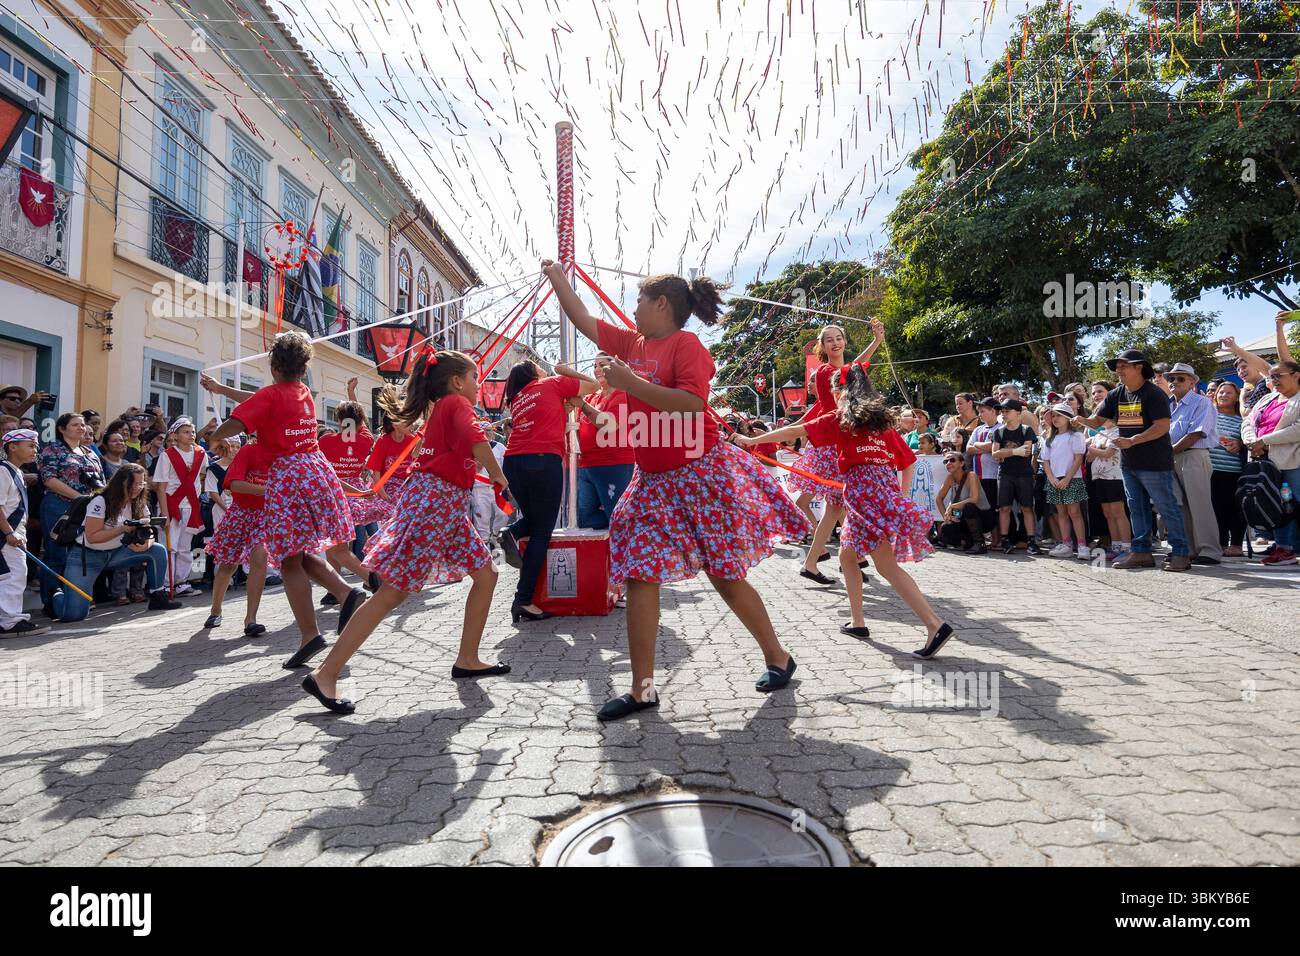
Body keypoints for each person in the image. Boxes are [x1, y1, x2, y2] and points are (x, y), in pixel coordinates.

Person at [542, 259, 810, 721]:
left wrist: (631, 382)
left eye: (639, 300)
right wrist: (557, 278)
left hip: (702, 474)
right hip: (652, 481)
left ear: (661, 303)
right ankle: (642, 689)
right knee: (640, 573)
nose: (634, 308)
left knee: (724, 575)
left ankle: (778, 657)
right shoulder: (632, 342)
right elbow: (584, 321)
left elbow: (690, 405)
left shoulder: (687, 346)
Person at [303, 350, 512, 714]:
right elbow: (478, 441)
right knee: (390, 594)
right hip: (434, 504)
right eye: (475, 379)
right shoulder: (455, 403)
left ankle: (468, 658)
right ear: (458, 381)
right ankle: (326, 673)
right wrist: (500, 477)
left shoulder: (443, 408)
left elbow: (467, 444)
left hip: (442, 505)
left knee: (486, 573)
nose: (478, 386)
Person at [741, 367, 954, 659]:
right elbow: (908, 463)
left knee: (886, 566)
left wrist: (752, 441)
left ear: (841, 393)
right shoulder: (881, 424)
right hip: (877, 492)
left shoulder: (841, 418)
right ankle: (858, 622)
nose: (834, 397)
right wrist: (898, 498)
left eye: (834, 392)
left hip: (862, 495)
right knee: (846, 556)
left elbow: (795, 431)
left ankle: (934, 624)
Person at [208, 331, 368, 670]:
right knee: (300, 551)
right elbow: (257, 399)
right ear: (302, 366)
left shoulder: (269, 397)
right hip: (315, 472)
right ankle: (344, 594)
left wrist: (215, 434)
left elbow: (240, 418)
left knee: (290, 560)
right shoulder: (303, 392)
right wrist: (224, 392)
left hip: (289, 478)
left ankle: (313, 631)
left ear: (274, 365)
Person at [498, 359, 599, 621]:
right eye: (538, 366)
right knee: (543, 530)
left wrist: (565, 404)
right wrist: (565, 372)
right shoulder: (551, 382)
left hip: (514, 461)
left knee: (534, 521)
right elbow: (594, 385)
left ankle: (512, 531)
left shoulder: (518, 397)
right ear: (534, 373)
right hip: (543, 459)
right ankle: (523, 599)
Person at [1073, 348, 1191, 572]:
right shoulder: (1116, 394)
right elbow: (1098, 419)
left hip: (1155, 462)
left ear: (1139, 367)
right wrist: (1084, 420)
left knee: (1167, 508)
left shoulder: (1154, 393)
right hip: (1129, 463)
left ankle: (1181, 553)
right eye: (1117, 368)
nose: (1119, 371)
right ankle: (1141, 552)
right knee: (1136, 508)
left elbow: (1162, 426)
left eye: (1123, 366)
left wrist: (1135, 440)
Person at [786, 321, 886, 585]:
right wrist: (875, 343)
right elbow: (847, 374)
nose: (835, 343)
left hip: (841, 440)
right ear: (822, 345)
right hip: (832, 445)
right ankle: (850, 558)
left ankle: (819, 562)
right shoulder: (823, 373)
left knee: (835, 507)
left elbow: (851, 373)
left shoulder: (845, 371)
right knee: (838, 505)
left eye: (839, 337)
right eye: (829, 339)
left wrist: (876, 342)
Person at [51, 464, 183, 621]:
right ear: (121, 482)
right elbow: (92, 536)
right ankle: (56, 595)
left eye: (141, 483)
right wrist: (122, 529)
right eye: (133, 483)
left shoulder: (139, 502)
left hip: (115, 553)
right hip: (86, 557)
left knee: (157, 550)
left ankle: (158, 596)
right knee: (74, 615)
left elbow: (149, 532)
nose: (137, 488)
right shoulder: (100, 501)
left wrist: (145, 544)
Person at [37, 412, 105, 615]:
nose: (81, 428)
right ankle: (51, 600)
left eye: (82, 425)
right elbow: (49, 479)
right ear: (62, 428)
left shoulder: (90, 452)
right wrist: (79, 498)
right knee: (56, 554)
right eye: (75, 425)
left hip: (87, 510)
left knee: (81, 554)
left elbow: (100, 480)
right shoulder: (52, 449)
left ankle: (76, 597)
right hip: (59, 505)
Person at [203, 439, 270, 634]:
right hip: (240, 513)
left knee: (260, 557)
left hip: (265, 516)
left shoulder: (285, 456)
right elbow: (234, 484)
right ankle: (215, 611)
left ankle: (251, 620)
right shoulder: (248, 451)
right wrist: (268, 490)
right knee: (228, 564)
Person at [1241, 361, 1300, 566]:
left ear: (1296, 375)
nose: (1273, 381)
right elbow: (1247, 421)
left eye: (1278, 376)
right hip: (1264, 461)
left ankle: (1289, 547)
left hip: (1292, 461)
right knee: (1276, 504)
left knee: (1294, 503)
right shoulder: (1267, 398)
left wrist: (1264, 441)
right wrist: (1250, 441)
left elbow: (1297, 429)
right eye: (1271, 377)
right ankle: (1284, 549)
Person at [1167, 363, 1223, 565]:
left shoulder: (1202, 402)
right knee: (1179, 505)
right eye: (1171, 378)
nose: (1174, 382)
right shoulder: (1168, 405)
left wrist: (1167, 452)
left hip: (1193, 455)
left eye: (1180, 378)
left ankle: (1209, 550)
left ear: (1192, 382)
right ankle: (1188, 549)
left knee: (1200, 504)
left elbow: (1197, 433)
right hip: (1171, 458)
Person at [575, 356, 635, 530]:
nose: (597, 369)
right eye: (594, 365)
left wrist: (582, 405)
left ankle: (636, 527)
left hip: (614, 464)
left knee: (617, 517)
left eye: (602, 365)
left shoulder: (623, 395)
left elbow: (609, 424)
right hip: (587, 465)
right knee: (584, 520)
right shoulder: (592, 397)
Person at [152, 416, 208, 594]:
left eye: (192, 431)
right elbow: (161, 486)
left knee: (185, 547)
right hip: (171, 504)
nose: (191, 435)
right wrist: (165, 513)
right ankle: (166, 584)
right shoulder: (167, 456)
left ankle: (181, 582)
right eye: (186, 432)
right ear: (175, 435)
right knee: (170, 546)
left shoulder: (201, 453)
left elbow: (202, 477)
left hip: (191, 505)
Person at [0, 429, 45, 636]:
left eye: (35, 446)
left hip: (14, 534)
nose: (35, 450)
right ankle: (9, 621)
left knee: (14, 575)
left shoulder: (15, 471)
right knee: (14, 576)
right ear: (12, 447)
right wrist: (9, 533)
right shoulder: (3, 471)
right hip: (6, 536)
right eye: (30, 445)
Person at [991, 399, 1043, 555]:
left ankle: (1032, 541)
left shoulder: (1026, 430)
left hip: (1024, 474)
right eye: (1003, 411)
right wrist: (1014, 451)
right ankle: (1005, 540)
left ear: (1018, 413)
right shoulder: (998, 432)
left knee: (1027, 507)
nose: (1004, 414)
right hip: (1005, 473)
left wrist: (1006, 452)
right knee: (1004, 508)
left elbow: (1026, 451)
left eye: (1008, 411)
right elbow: (995, 454)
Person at [1041, 404, 1090, 560]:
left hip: (1072, 479)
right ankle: (1066, 544)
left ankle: (1082, 545)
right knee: (1061, 513)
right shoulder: (1049, 438)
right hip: (1055, 480)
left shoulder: (1075, 436)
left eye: (1059, 415)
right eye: (1053, 416)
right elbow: (1045, 462)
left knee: (1075, 513)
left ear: (1068, 418)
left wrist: (1067, 478)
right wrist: (1052, 479)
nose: (1055, 419)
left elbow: (1078, 459)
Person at [1085, 414, 1132, 561]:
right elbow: (1089, 457)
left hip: (1114, 477)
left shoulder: (1118, 431)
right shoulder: (1100, 434)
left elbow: (1109, 453)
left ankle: (1127, 547)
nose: (1096, 419)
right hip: (1098, 477)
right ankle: (1116, 546)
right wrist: (1095, 450)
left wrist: (1092, 449)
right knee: (1108, 513)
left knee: (1118, 512)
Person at [1209, 381, 1247, 557]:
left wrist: (1239, 444)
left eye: (1229, 393)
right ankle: (1221, 543)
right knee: (1215, 508)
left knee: (1234, 508)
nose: (1223, 395)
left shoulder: (1242, 419)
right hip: (1210, 470)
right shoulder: (1209, 415)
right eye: (1221, 392)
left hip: (1233, 472)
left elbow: (1248, 439)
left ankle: (1237, 544)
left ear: (1237, 397)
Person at [966, 397, 1003, 549]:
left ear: (993, 411)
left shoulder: (1001, 429)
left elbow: (994, 448)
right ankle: (983, 538)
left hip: (994, 475)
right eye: (979, 412)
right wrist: (985, 446)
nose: (980, 415)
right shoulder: (977, 429)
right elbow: (968, 449)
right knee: (982, 507)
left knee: (994, 508)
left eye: (982, 411)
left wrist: (977, 445)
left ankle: (997, 540)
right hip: (978, 476)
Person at [935, 449, 988, 552]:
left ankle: (980, 543)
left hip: (983, 517)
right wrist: (946, 517)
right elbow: (939, 499)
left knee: (969, 506)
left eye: (952, 460)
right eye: (946, 461)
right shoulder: (950, 478)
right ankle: (968, 541)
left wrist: (952, 506)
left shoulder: (971, 475)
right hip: (963, 517)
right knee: (945, 527)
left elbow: (974, 499)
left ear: (962, 463)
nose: (948, 463)